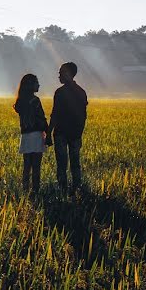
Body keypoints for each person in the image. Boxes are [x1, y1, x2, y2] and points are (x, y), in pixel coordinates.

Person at [47, 62, 88, 195]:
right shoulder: (81, 92)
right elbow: (83, 116)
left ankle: (62, 190)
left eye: (61, 73)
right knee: (75, 163)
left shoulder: (60, 92)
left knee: (61, 164)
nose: (59, 75)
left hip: (61, 133)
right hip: (75, 133)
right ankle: (77, 189)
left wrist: (48, 133)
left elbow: (55, 114)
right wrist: (80, 132)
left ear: (68, 74)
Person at [13, 73, 48, 197]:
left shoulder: (20, 101)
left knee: (27, 166)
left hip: (26, 137)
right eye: (36, 82)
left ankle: (25, 190)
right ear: (30, 85)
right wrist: (47, 133)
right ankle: (36, 191)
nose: (39, 84)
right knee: (36, 166)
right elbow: (41, 118)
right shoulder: (35, 100)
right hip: (36, 135)